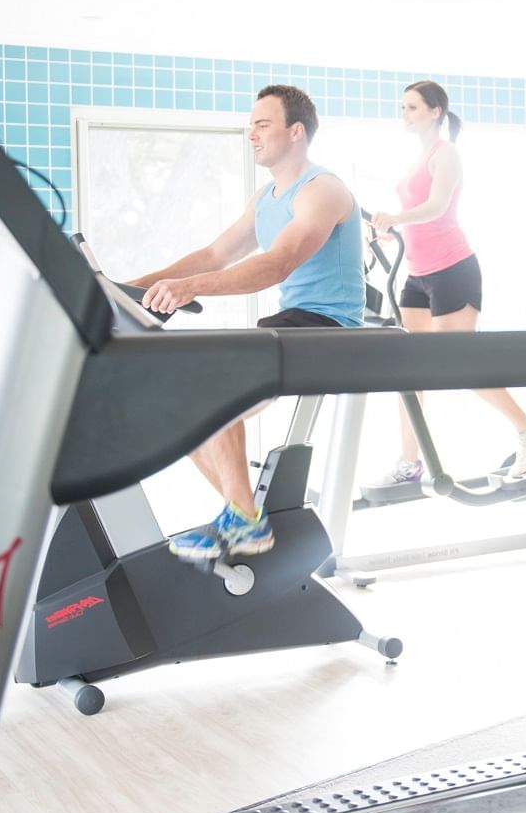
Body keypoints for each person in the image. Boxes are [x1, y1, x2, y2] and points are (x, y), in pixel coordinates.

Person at [129, 84, 364, 560]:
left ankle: (243, 522)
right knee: (183, 409)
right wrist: (129, 287)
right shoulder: (266, 197)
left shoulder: (324, 189)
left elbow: (277, 264)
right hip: (288, 324)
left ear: (295, 132)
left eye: (262, 124)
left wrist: (189, 288)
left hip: (326, 329)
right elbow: (214, 255)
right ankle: (244, 519)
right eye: (250, 124)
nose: (250, 133)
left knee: (212, 392)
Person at [368, 80, 526, 483]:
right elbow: (416, 214)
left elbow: (435, 207)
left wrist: (396, 217)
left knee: (459, 366)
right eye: (403, 107)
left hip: (453, 269)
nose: (406, 114)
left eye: (413, 107)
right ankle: (409, 462)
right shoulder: (417, 159)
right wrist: (390, 229)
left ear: (435, 111)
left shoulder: (446, 153)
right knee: (408, 369)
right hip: (418, 273)